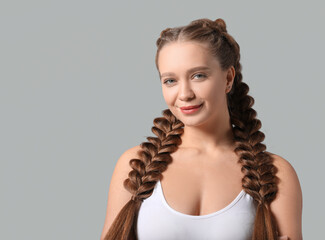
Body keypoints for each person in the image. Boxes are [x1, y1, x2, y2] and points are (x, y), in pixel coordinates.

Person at [100, 18, 302, 240]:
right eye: (170, 81)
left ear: (228, 78)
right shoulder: (133, 165)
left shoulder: (276, 174)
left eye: (198, 76)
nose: (185, 93)